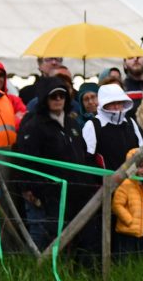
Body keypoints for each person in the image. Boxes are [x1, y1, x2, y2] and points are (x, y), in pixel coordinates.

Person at [14, 77, 100, 250]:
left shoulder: (72, 123)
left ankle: (81, 274)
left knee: (82, 238)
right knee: (49, 240)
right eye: (54, 96)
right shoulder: (34, 125)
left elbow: (83, 155)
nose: (58, 99)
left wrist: (91, 183)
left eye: (62, 95)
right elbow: (26, 160)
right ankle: (41, 274)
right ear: (45, 99)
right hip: (51, 195)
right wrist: (38, 190)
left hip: (77, 192)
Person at [84, 83, 143, 171]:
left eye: (119, 102)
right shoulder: (93, 125)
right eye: (111, 103)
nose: (116, 107)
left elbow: (141, 152)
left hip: (132, 181)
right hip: (106, 182)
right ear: (103, 104)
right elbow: (88, 158)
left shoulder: (130, 122)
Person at [112, 148, 143, 256]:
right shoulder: (126, 183)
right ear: (132, 167)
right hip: (127, 232)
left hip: (142, 231)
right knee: (126, 261)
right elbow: (117, 205)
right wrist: (129, 220)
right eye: (141, 166)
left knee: (139, 259)